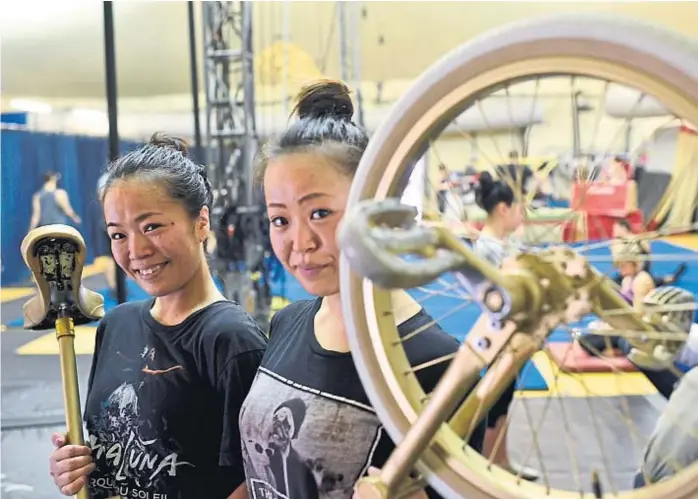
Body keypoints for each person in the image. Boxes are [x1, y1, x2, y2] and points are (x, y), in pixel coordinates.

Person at [238, 80, 485, 499]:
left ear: (372, 205)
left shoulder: (435, 361)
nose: (300, 242)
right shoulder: (287, 322)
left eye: (319, 213)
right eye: (280, 220)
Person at [47, 133, 267, 499]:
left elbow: (258, 479)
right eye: (118, 235)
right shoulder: (116, 324)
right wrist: (73, 466)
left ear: (201, 222)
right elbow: (110, 456)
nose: (136, 250)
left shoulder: (231, 341)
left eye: (152, 226)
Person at [471, 171, 540, 481]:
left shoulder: (501, 244)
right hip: (498, 334)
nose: (522, 214)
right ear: (503, 209)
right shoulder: (487, 248)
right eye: (519, 208)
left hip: (512, 333)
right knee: (496, 402)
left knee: (505, 400)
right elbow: (496, 296)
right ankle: (489, 464)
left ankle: (502, 460)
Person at [611, 219, 686, 288]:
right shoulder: (616, 243)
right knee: (611, 283)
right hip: (627, 272)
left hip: (640, 271)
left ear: (623, 228)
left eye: (615, 228)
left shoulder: (639, 239)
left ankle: (672, 276)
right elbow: (616, 264)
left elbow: (647, 258)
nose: (613, 231)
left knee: (662, 280)